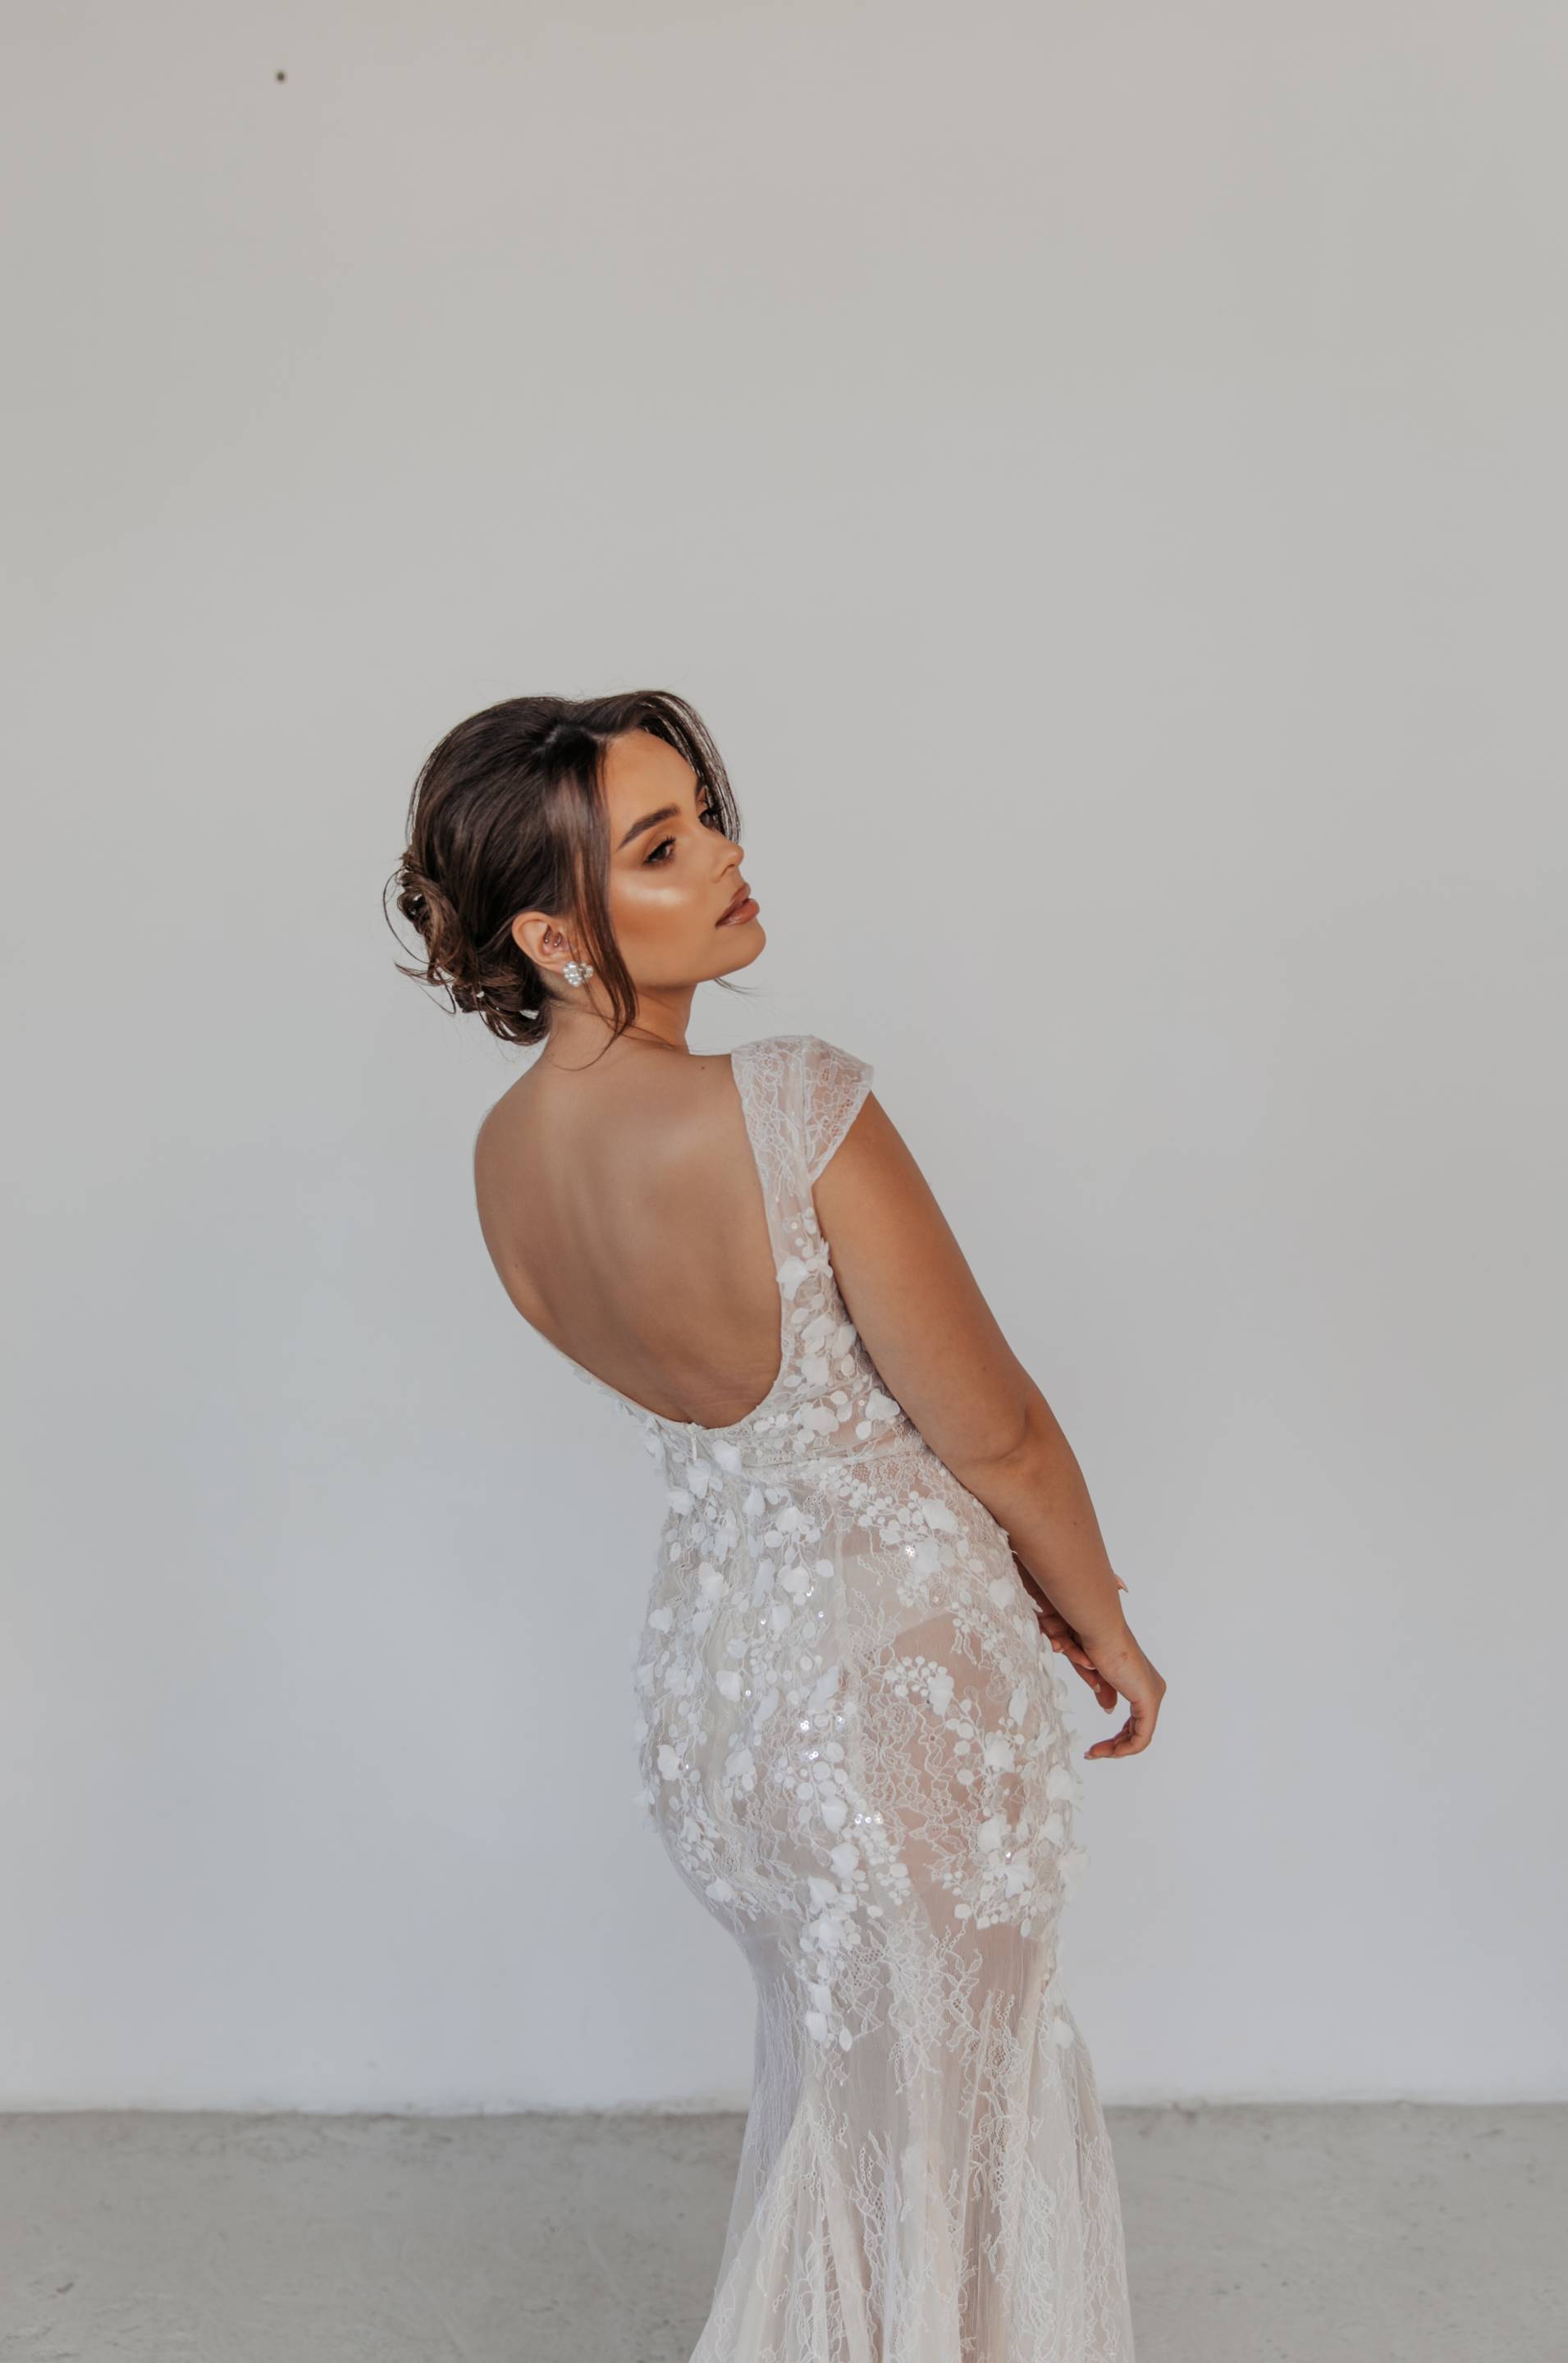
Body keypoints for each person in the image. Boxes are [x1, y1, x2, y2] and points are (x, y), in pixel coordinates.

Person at [391, 688, 1163, 2361]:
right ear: (554, 935)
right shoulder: (793, 1104)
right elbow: (1000, 1432)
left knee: (857, 2122)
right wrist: (1100, 1615)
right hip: (894, 1699)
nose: (726, 857)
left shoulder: (506, 1161)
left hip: (721, 1713)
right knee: (955, 2139)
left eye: (709, 817)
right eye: (661, 846)